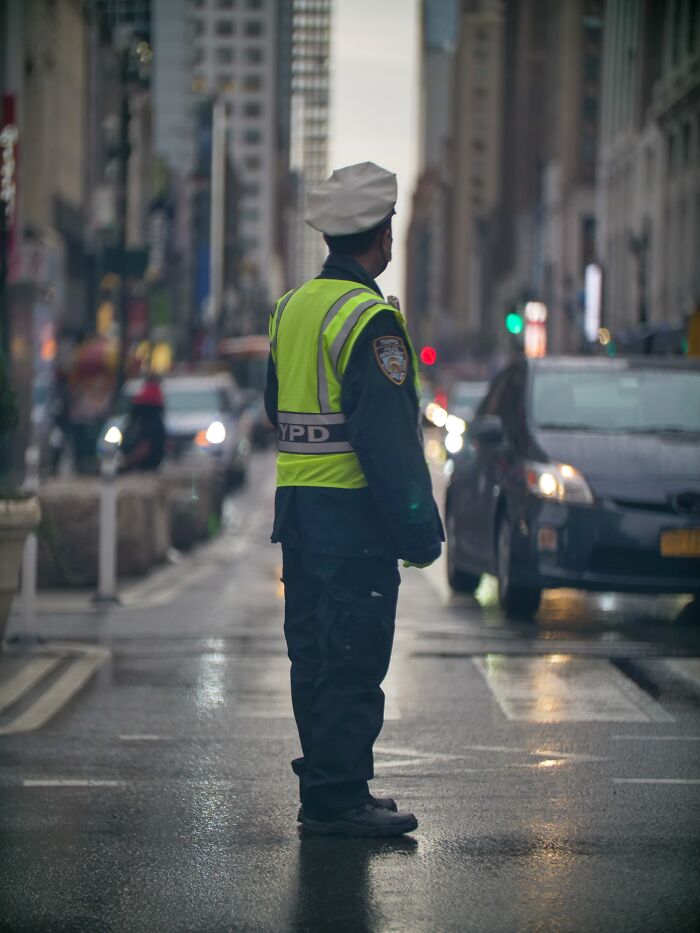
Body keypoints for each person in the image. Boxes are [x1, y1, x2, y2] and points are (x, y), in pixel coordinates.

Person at [265, 162, 444, 837]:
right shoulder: (370, 321)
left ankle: (329, 781)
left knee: (314, 656)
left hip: (299, 523)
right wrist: (420, 534)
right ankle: (338, 797)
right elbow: (390, 445)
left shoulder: (291, 309)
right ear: (382, 236)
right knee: (352, 657)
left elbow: (273, 409)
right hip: (353, 526)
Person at [119, 378, 166, 473]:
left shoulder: (150, 423)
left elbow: (144, 447)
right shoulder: (153, 421)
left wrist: (127, 462)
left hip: (145, 466)